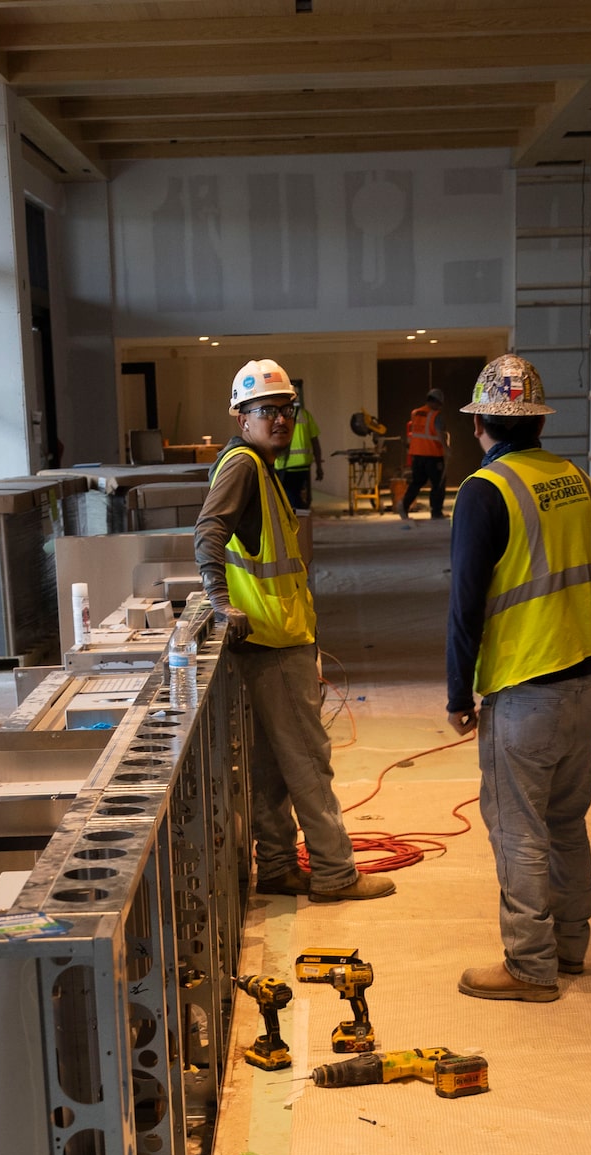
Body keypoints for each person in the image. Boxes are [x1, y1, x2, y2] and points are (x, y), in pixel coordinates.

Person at [443, 355, 591, 1003]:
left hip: (524, 689)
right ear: (538, 418)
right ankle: (571, 946)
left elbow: (465, 605)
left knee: (518, 827)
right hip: (584, 681)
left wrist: (460, 694)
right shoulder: (576, 479)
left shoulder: (485, 491)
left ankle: (530, 965)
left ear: (481, 421)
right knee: (567, 821)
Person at [196, 359, 395, 903]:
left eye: (287, 410)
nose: (281, 421)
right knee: (308, 760)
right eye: (267, 412)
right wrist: (219, 602)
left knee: (272, 767)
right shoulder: (242, 466)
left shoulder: (260, 467)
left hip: (272, 640)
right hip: (272, 643)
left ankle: (280, 865)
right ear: (241, 417)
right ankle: (335, 871)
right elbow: (207, 532)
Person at [399, 387, 448, 521]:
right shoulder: (435, 416)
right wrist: (446, 449)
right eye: (439, 404)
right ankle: (436, 512)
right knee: (438, 484)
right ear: (436, 402)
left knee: (417, 482)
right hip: (433, 455)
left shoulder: (415, 413)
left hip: (417, 455)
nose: (439, 408)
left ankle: (403, 505)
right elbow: (439, 434)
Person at [277, 380, 322, 513]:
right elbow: (315, 442)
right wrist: (319, 466)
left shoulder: (277, 415)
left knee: (289, 499)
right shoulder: (304, 414)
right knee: (298, 498)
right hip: (302, 465)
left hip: (284, 467)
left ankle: (299, 524)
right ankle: (301, 519)